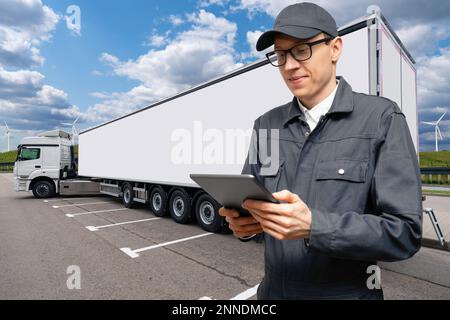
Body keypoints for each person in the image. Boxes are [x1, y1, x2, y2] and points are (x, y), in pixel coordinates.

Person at [219, 2, 422, 300]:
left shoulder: (381, 119)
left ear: (335, 48)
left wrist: (314, 226)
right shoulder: (267, 126)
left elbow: (404, 233)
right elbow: (253, 202)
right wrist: (245, 225)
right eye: (280, 54)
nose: (289, 65)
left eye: (302, 50)